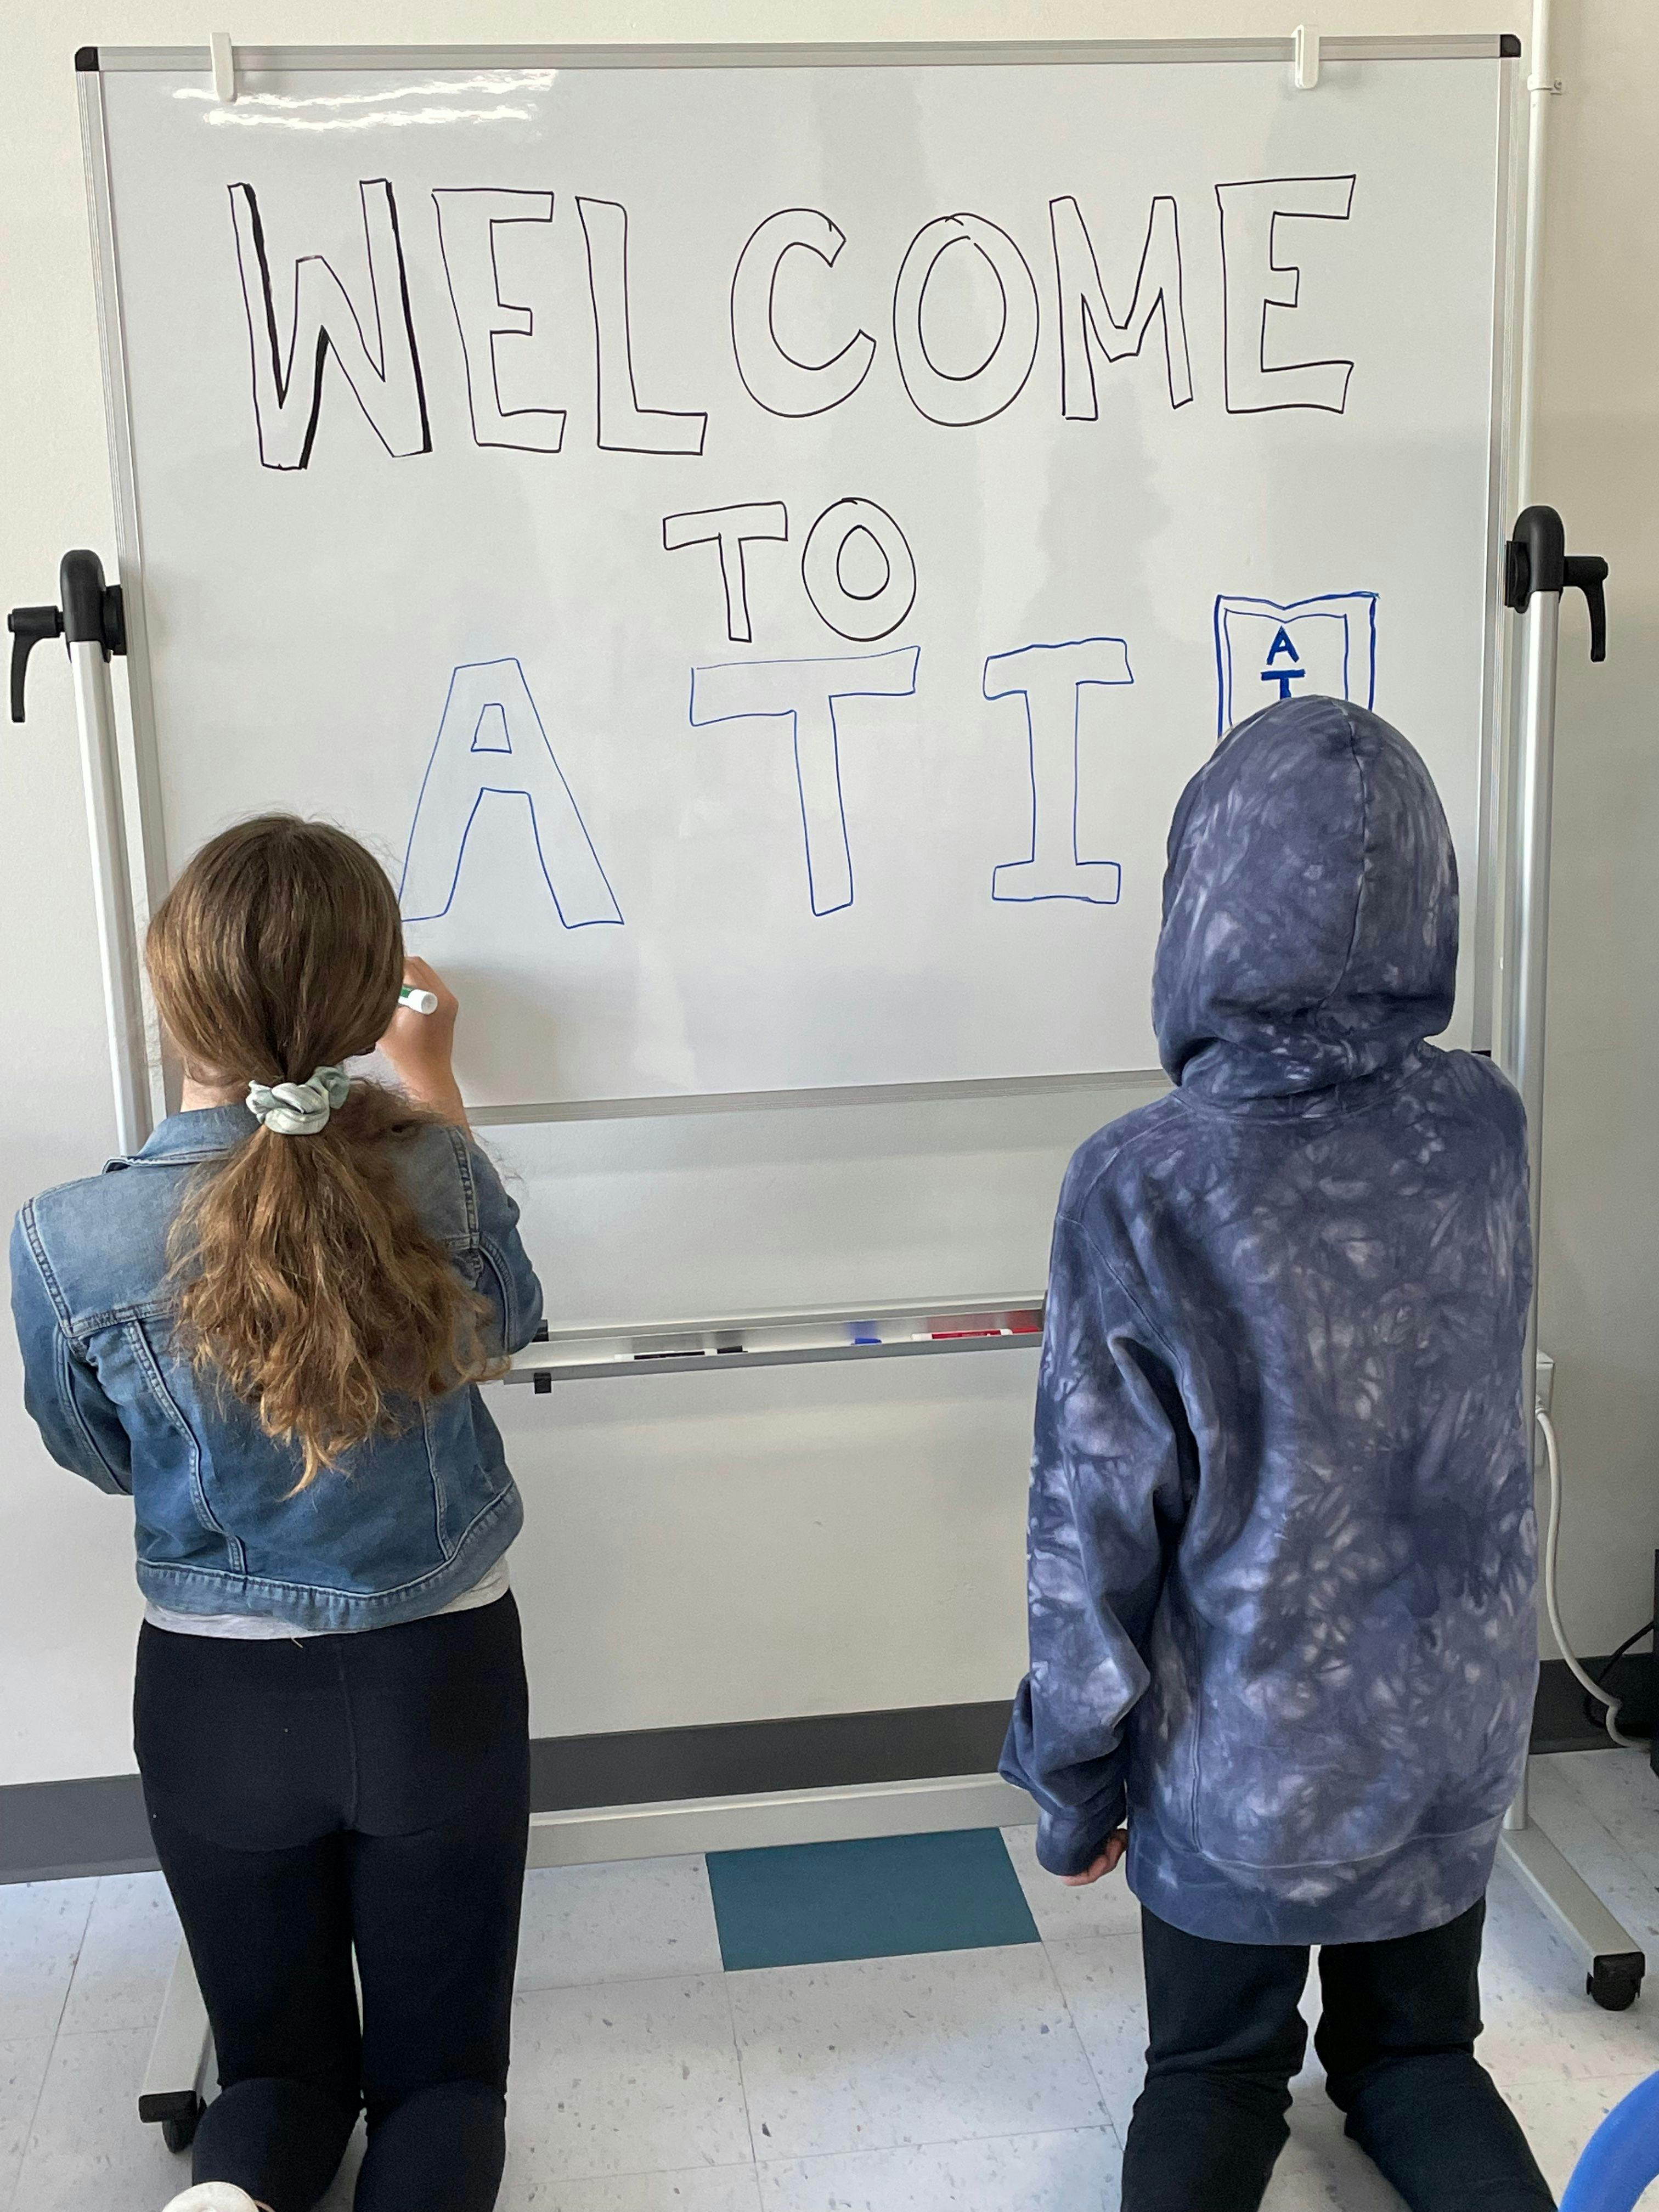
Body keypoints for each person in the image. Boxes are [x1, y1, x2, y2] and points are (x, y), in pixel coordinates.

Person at [1000, 695, 1554, 2212]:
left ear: (1207, 897)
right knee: (1423, 2062)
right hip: (1449, 1733)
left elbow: (1092, 1526)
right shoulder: (1485, 1127)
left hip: (1242, 1760)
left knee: (1212, 2077)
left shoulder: (1140, 1181)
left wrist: (1075, 1786)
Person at [10, 817, 544, 2212]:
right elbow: (507, 1330)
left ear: (168, 991)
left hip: (211, 1703)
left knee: (275, 2080)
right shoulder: (434, 1171)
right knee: (439, 2085)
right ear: (372, 1006)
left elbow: (95, 1454)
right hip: (440, 1686)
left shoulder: (67, 1235)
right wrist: (429, 1083)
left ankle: (224, 2198)